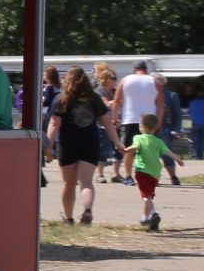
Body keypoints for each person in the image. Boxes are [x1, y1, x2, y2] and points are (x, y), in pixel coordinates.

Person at [49, 66, 109, 224]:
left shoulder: (61, 99)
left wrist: (48, 146)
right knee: (86, 182)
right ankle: (87, 210)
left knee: (69, 183)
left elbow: (55, 124)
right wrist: (117, 142)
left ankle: (68, 218)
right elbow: (107, 122)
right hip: (90, 144)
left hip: (68, 145)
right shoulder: (94, 98)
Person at [128, 113, 178, 232]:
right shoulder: (158, 141)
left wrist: (125, 150)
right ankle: (145, 218)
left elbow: (135, 147)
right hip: (155, 173)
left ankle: (154, 214)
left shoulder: (138, 138)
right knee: (148, 195)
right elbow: (167, 152)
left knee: (146, 196)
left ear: (142, 126)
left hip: (142, 171)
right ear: (155, 128)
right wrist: (178, 159)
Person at [116, 61, 163, 183]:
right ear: (146, 70)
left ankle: (128, 176)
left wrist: (115, 118)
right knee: (150, 151)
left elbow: (116, 101)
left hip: (129, 119)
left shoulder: (125, 80)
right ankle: (150, 176)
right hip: (149, 120)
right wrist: (159, 122)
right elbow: (160, 104)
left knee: (129, 150)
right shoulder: (155, 82)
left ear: (134, 70)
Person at [188, 90, 204, 160]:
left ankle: (195, 155)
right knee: (202, 141)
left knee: (194, 141)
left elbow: (189, 112)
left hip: (195, 124)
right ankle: (201, 155)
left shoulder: (192, 103)